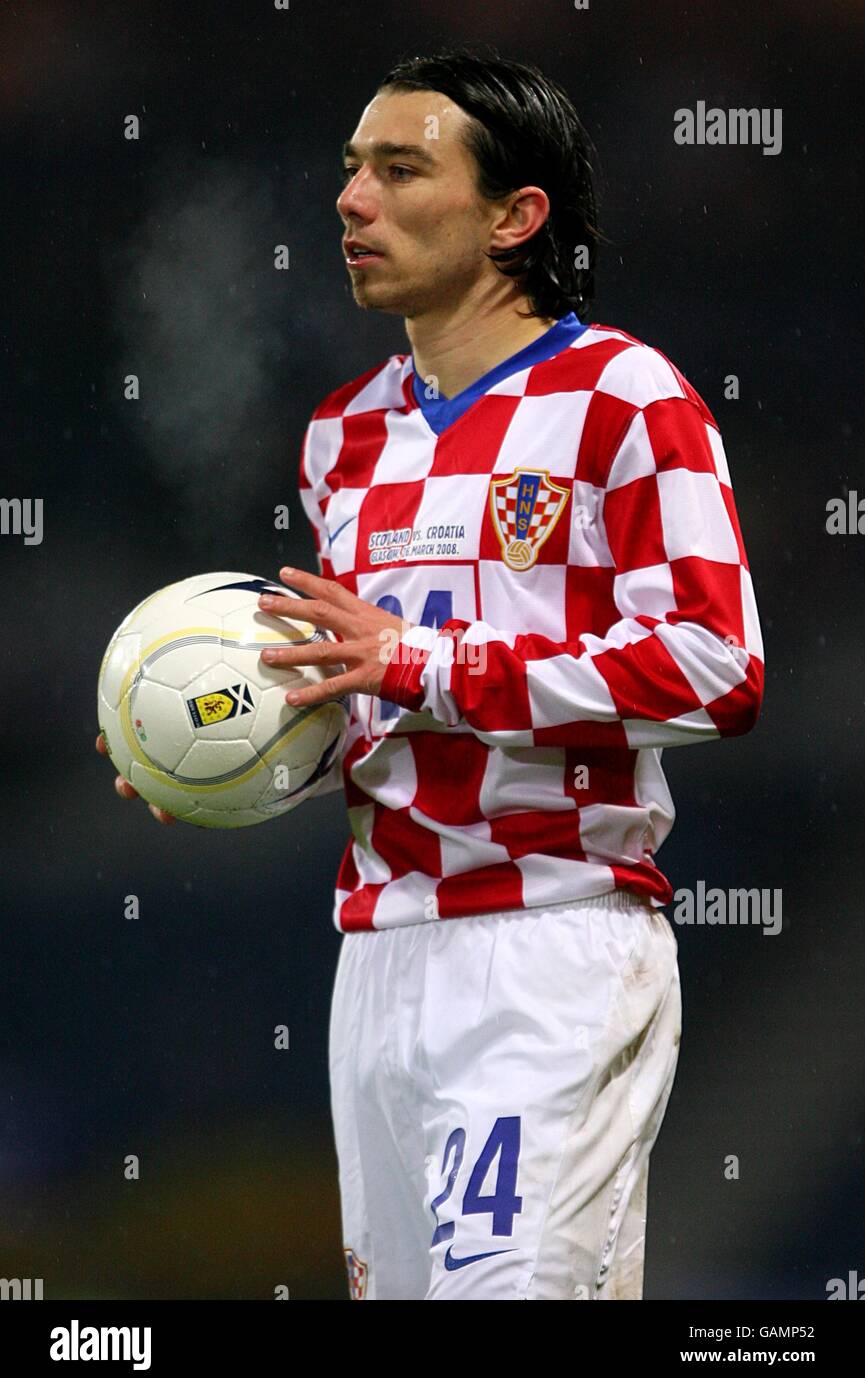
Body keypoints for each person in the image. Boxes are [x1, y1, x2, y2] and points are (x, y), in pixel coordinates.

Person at [98, 48, 764, 1300]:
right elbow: (383, 713)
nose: (352, 200)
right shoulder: (343, 433)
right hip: (380, 956)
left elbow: (715, 667)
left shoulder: (625, 397)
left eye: (402, 170)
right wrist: (236, 756)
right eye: (352, 170)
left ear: (516, 216)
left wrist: (424, 662)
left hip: (549, 935)